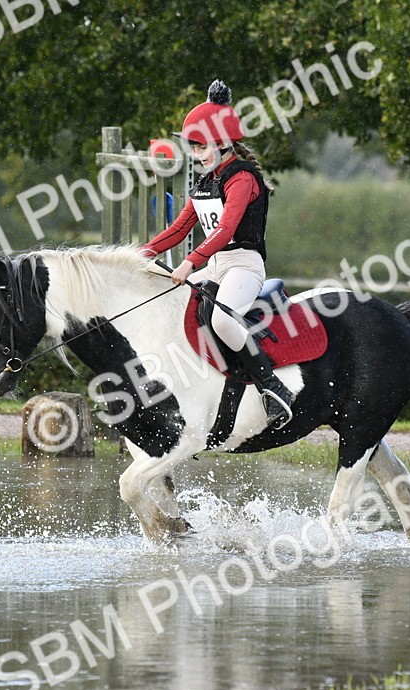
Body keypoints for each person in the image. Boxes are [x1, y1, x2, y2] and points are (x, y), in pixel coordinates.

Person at [141, 79, 295, 429]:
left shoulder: (242, 178)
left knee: (223, 320)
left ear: (224, 143)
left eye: (201, 148)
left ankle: (273, 388)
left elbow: (226, 230)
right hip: (216, 266)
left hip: (244, 266)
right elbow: (179, 229)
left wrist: (189, 262)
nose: (196, 156)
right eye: (192, 149)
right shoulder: (205, 183)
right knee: (172, 304)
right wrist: (139, 254)